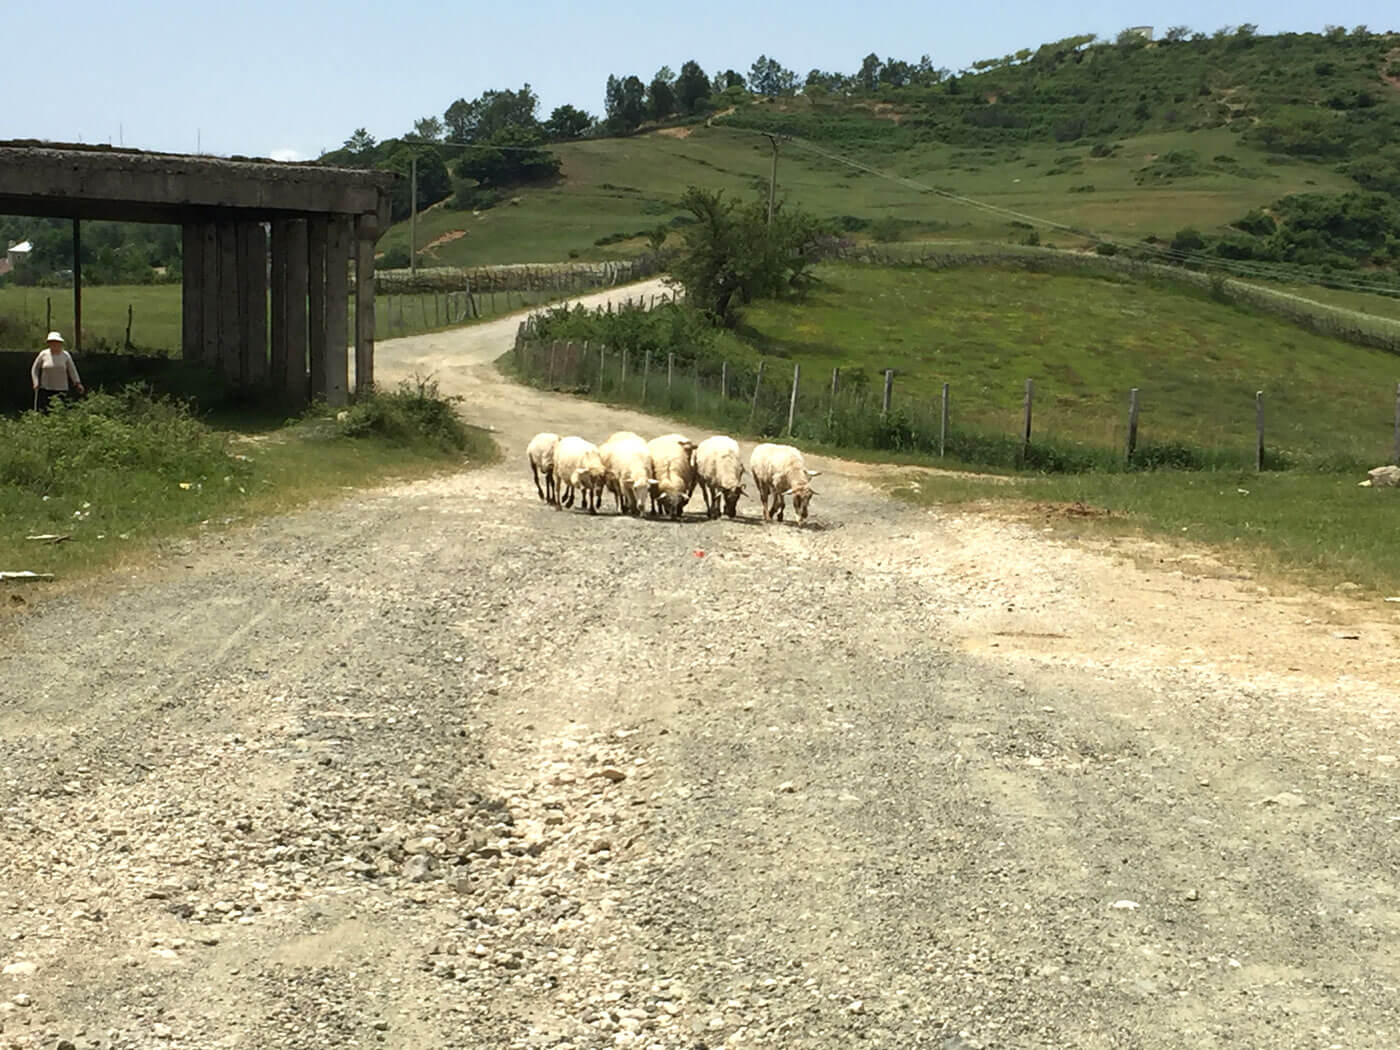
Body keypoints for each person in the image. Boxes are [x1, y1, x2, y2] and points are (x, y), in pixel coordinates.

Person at [30, 331, 84, 413]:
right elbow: (35, 369)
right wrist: (35, 382)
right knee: (45, 411)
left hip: (61, 389)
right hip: (46, 388)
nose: (54, 344)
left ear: (60, 343)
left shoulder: (65, 355)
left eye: (57, 342)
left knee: (60, 411)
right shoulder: (43, 354)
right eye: (52, 342)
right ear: (49, 343)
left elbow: (72, 370)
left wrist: (77, 383)